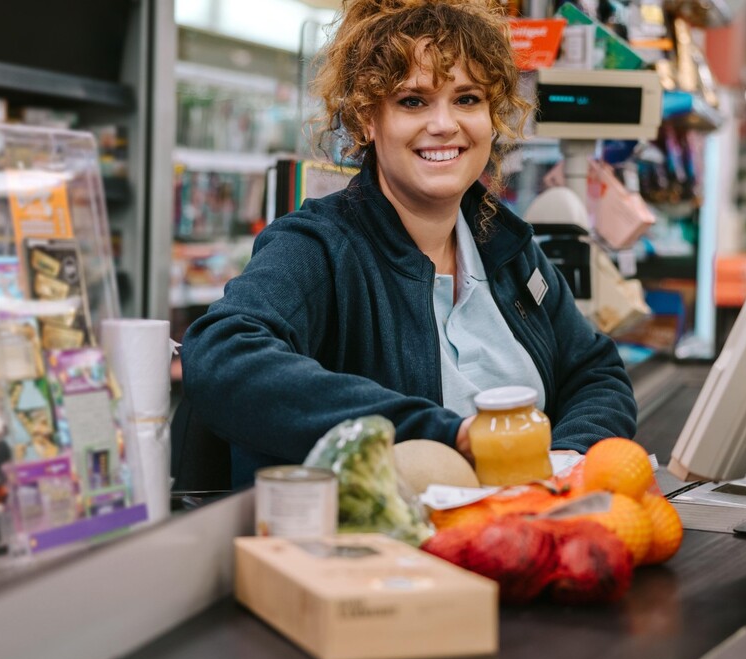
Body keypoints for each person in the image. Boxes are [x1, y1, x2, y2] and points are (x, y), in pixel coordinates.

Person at [182, 0, 637, 488]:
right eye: (413, 101)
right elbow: (222, 355)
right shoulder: (321, 246)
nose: (444, 124)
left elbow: (596, 371)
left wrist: (569, 460)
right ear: (365, 121)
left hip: (523, 536)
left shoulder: (505, 245)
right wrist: (445, 435)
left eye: (467, 99)